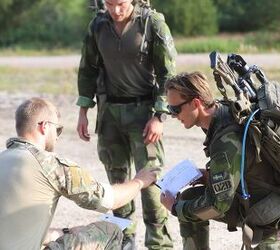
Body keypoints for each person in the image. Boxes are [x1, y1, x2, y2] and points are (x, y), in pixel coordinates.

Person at [76, 0, 176, 248]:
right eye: (110, 4)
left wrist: (159, 115)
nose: (115, 10)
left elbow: (167, 73)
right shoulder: (98, 25)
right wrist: (83, 110)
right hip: (109, 114)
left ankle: (159, 244)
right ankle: (123, 240)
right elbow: (87, 69)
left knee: (151, 181)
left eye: (120, 4)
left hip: (144, 114)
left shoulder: (152, 23)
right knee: (118, 181)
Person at [0, 97, 160, 250]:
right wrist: (140, 181)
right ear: (44, 127)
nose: (57, 137)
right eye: (58, 130)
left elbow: (19, 230)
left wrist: (65, 231)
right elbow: (110, 199)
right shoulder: (50, 164)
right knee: (109, 231)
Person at [161, 72, 280, 250]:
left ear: (196, 103)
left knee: (186, 207)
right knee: (190, 197)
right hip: (259, 196)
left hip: (270, 212)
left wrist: (175, 208)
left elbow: (217, 206)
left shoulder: (226, 139)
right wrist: (210, 175)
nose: (173, 116)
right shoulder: (224, 111)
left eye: (175, 110)